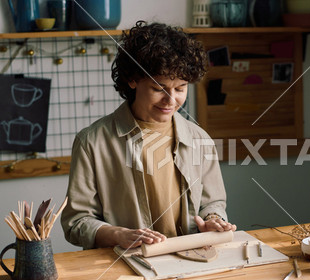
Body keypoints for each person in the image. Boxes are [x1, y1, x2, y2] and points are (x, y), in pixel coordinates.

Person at [61, 21, 236, 250]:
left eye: (180, 88)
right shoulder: (91, 142)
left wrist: (213, 220)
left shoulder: (199, 138)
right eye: (158, 88)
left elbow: (212, 202)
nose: (171, 100)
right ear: (132, 80)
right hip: (124, 265)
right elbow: (76, 223)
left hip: (190, 259)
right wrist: (118, 235)